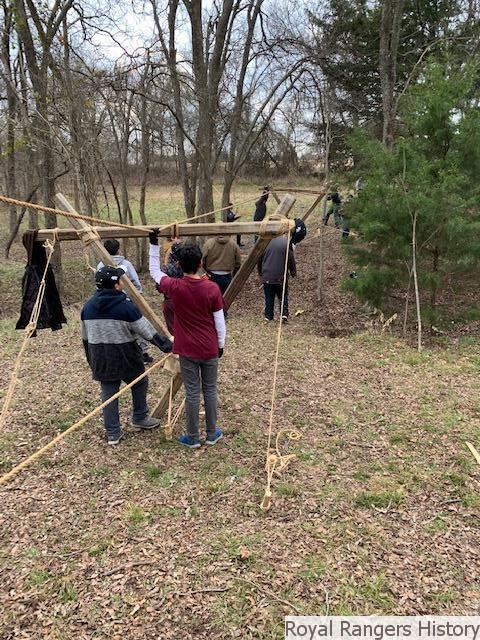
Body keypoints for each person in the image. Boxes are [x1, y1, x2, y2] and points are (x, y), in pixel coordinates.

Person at [149, 232, 226, 449]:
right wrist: (220, 345)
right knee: (209, 389)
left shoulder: (175, 286)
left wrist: (153, 245)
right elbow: (219, 322)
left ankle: (192, 437)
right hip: (209, 347)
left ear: (179, 265)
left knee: (192, 392)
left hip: (187, 350)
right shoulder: (212, 288)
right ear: (201, 263)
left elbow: (154, 271)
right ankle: (211, 434)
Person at [81, 266, 173, 445]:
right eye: (120, 280)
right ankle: (139, 417)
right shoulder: (125, 306)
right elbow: (146, 330)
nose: (123, 282)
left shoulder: (88, 307)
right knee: (139, 382)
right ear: (116, 285)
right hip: (126, 356)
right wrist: (167, 346)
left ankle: (113, 432)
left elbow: (85, 338)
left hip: (100, 356)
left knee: (109, 393)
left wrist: (91, 360)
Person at [97, 238, 152, 363]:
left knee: (116, 327)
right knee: (137, 325)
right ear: (118, 250)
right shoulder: (126, 264)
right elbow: (135, 282)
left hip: (108, 302)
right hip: (127, 300)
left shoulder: (101, 265)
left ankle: (121, 353)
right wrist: (138, 295)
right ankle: (142, 352)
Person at [258, 219, 307, 322]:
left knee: (269, 297)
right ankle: (284, 314)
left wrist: (261, 273)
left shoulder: (265, 243)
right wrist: (293, 272)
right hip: (281, 276)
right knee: (283, 295)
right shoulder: (286, 243)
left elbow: (259, 260)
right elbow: (291, 259)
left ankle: (268, 316)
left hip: (268, 276)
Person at [159, 238, 183, 335]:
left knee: (173, 330)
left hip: (170, 299)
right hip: (185, 299)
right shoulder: (187, 266)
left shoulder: (166, 268)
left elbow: (159, 287)